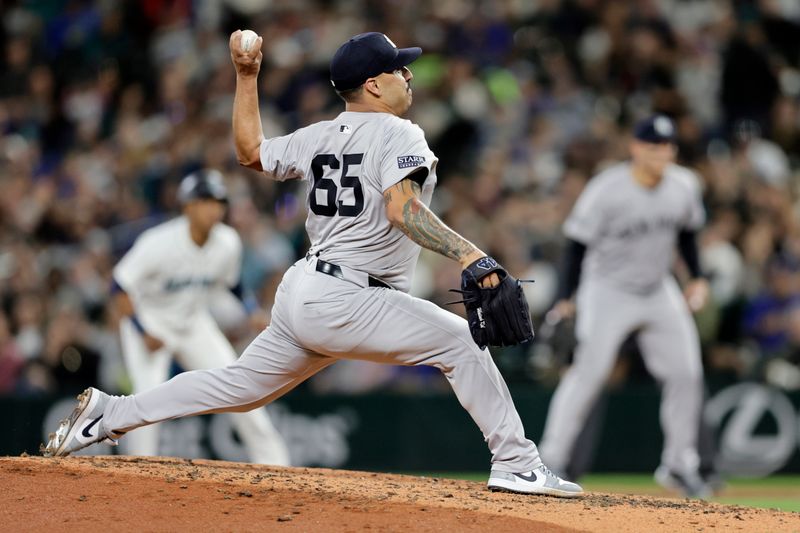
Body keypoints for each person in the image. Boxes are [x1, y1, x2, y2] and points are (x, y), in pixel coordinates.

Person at [42, 30, 582, 498]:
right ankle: (518, 464)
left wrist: (246, 75)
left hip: (306, 289)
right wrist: (472, 254)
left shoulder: (318, 136)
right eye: (399, 68)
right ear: (373, 84)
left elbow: (250, 150)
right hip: (350, 295)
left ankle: (109, 414)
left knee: (238, 387)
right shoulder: (399, 132)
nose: (409, 75)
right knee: (461, 342)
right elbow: (402, 209)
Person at [538, 115, 711, 498]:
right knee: (589, 373)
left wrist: (697, 278)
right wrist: (566, 297)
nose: (660, 153)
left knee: (687, 373)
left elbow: (687, 235)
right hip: (607, 290)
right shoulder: (607, 189)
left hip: (657, 289)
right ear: (635, 147)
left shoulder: (683, 185)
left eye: (666, 146)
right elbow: (576, 247)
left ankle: (681, 465)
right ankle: (551, 458)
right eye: (652, 146)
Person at [110, 169, 289, 465]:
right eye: (205, 200)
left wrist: (250, 310)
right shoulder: (158, 242)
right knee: (146, 401)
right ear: (188, 206)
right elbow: (119, 285)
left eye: (219, 201)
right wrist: (142, 331)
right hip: (150, 323)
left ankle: (278, 467)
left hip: (193, 323)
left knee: (242, 389)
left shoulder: (228, 242)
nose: (213, 207)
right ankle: (137, 475)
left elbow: (232, 283)